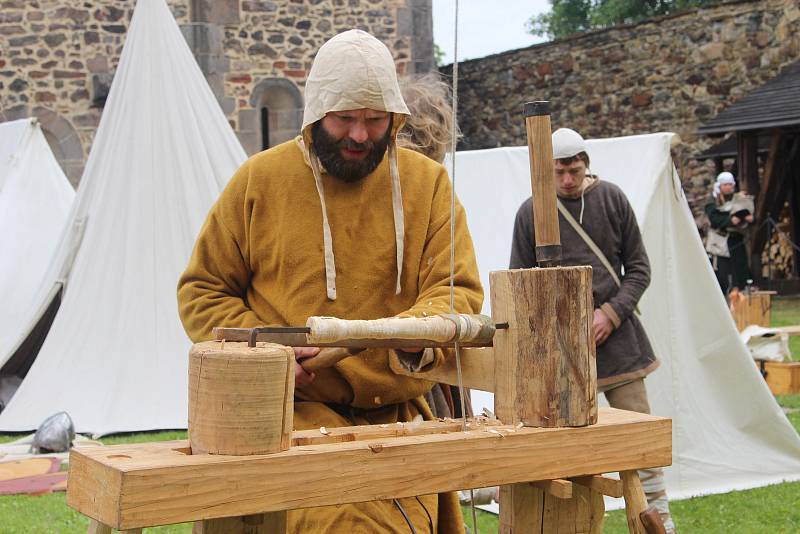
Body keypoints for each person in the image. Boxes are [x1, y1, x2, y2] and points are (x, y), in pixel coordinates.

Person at [177, 29, 482, 534]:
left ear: (394, 118)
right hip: (289, 414)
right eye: (345, 119)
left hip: (397, 415)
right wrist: (269, 353)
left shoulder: (428, 185)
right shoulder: (260, 180)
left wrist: (406, 336)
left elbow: (457, 292)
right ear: (317, 113)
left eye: (374, 119)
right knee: (339, 522)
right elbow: (203, 290)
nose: (360, 136)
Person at [509, 128, 676, 533]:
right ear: (548, 171)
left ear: (586, 164)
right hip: (558, 351)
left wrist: (611, 314)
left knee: (640, 442)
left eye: (575, 169)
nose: (567, 179)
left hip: (617, 342)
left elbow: (639, 269)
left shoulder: (612, 198)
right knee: (563, 451)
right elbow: (519, 280)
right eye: (560, 171)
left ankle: (659, 522)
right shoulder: (531, 212)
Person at [704, 171, 754, 295]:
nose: (728, 187)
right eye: (725, 185)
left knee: (740, 269)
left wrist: (750, 218)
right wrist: (730, 220)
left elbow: (746, 211)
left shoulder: (738, 199)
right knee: (723, 273)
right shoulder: (713, 202)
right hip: (720, 242)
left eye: (730, 184)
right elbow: (715, 219)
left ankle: (741, 292)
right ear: (720, 186)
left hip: (736, 239)